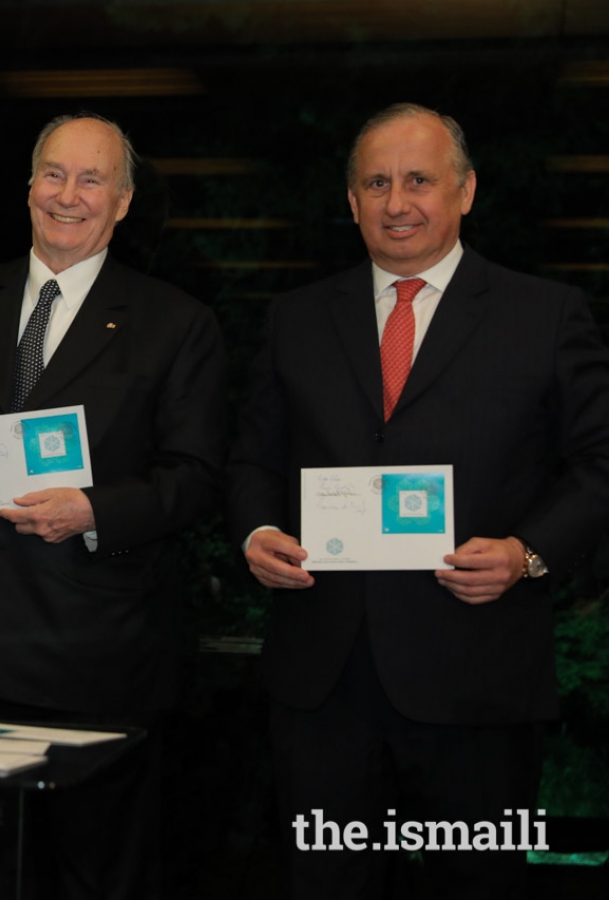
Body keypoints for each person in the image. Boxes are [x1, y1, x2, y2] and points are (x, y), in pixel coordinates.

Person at [228, 103, 609, 898]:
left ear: (465, 191)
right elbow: (253, 458)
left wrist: (527, 553)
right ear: (352, 201)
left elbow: (598, 465)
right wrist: (258, 529)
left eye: (419, 180)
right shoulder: (296, 320)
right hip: (323, 685)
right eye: (376, 182)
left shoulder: (545, 316)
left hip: (479, 677)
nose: (397, 201)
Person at [0, 113, 227, 899]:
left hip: (95, 657)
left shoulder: (176, 323)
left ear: (122, 202)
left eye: (92, 180)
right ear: (28, 190)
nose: (68, 195)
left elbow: (194, 478)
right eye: (54, 174)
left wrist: (94, 511)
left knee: (95, 876)